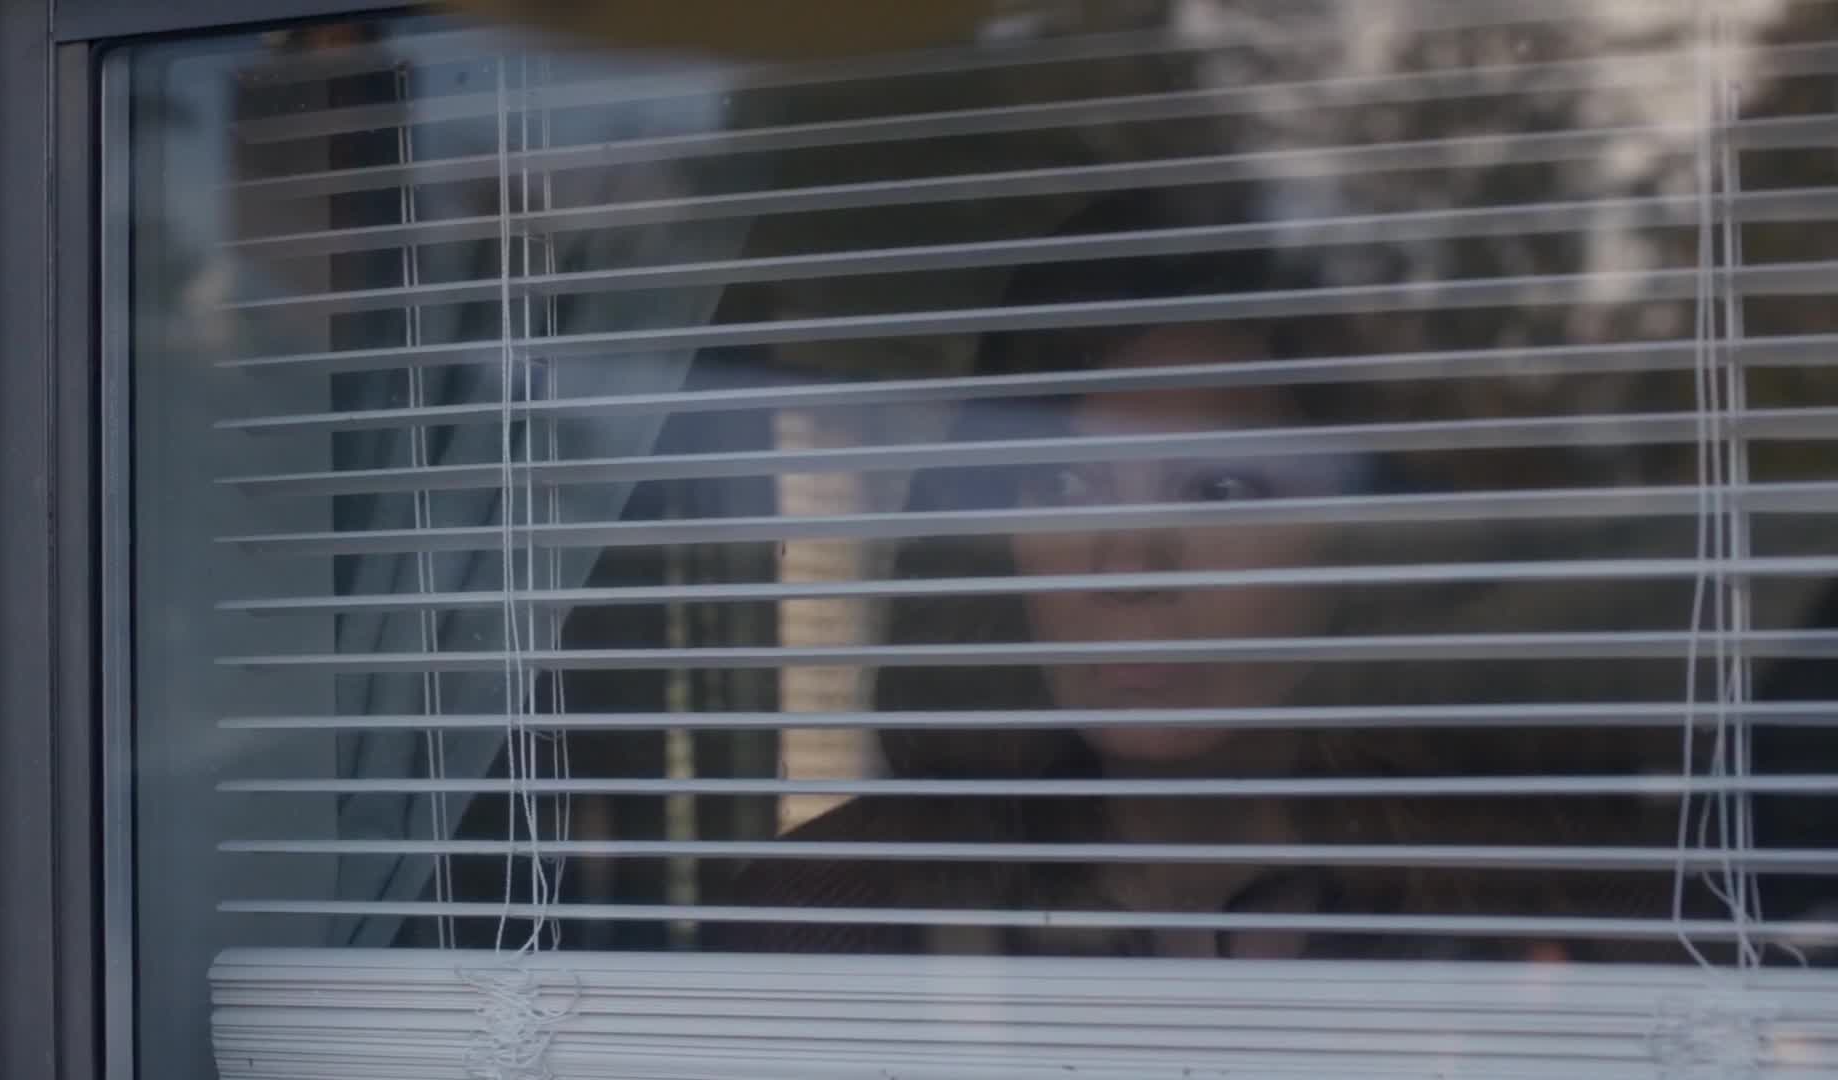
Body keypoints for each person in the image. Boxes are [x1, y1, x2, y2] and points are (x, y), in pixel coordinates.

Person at [710, 188, 1724, 962]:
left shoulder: (1575, 929)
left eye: (1221, 487)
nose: (1127, 566)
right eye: (1064, 483)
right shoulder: (833, 925)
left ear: (1361, 542)